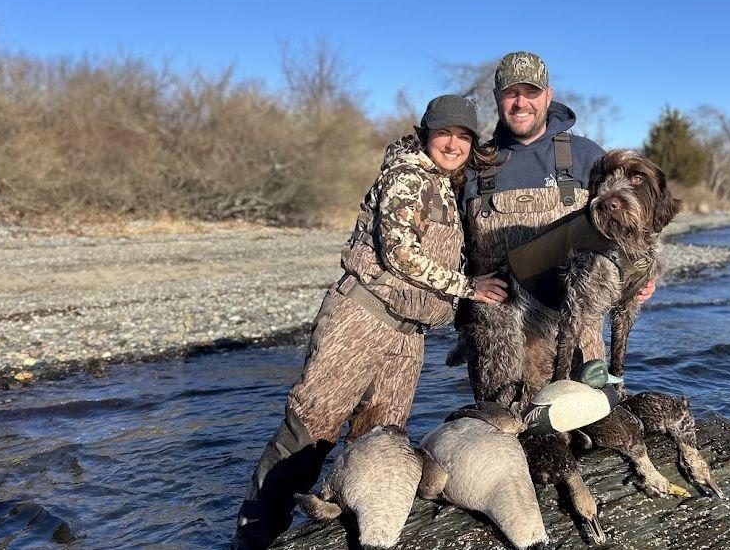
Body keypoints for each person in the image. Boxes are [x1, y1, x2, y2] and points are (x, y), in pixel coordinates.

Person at [232, 95, 508, 549]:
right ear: (426, 135)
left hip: (407, 336)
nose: (453, 144)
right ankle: (253, 539)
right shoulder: (407, 176)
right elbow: (400, 254)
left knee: (376, 444)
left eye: (463, 137)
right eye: (444, 134)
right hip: (361, 320)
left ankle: (344, 537)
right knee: (310, 432)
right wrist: (468, 287)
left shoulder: (446, 185)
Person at [454, 52, 655, 396]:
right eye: (511, 93)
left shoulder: (589, 157)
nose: (521, 103)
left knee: (587, 426)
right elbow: (449, 249)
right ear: (497, 98)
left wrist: (639, 278)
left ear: (548, 96)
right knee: (499, 429)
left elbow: (635, 225)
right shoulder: (473, 166)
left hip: (579, 343)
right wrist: (469, 286)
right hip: (500, 345)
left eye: (531, 92)